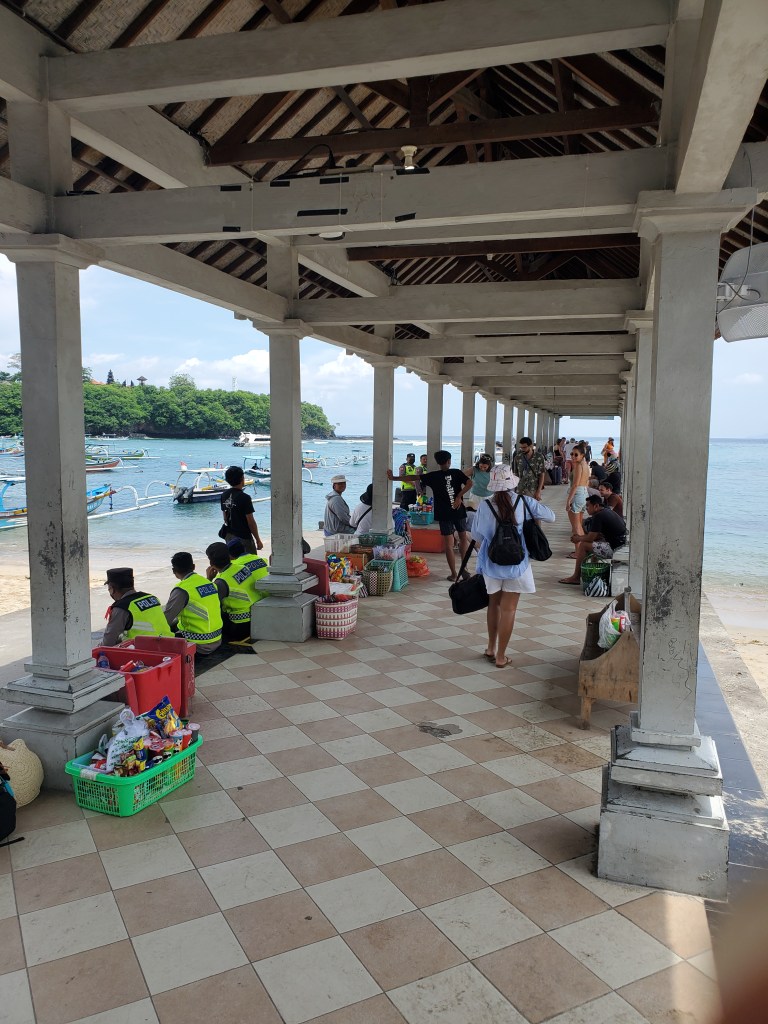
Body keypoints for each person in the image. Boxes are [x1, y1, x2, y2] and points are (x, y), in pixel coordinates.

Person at [471, 465, 555, 668]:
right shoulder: (523, 501)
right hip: (517, 564)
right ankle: (501, 657)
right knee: (509, 610)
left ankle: (490, 648)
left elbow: (476, 536)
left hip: (491, 563)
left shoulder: (485, 505)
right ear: (512, 483)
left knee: (493, 605)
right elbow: (551, 516)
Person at [388, 450, 472, 581]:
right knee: (463, 539)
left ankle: (454, 574)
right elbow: (470, 483)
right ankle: (464, 569)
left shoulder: (433, 476)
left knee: (449, 545)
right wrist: (458, 497)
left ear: (438, 462)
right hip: (458, 510)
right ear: (449, 461)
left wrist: (395, 478)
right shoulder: (456, 472)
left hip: (444, 513)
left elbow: (413, 477)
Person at [205, 542, 267, 642]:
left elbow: (206, 602)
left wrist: (209, 579)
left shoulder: (221, 581)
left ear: (211, 563)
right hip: (257, 616)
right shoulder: (243, 568)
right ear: (229, 556)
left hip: (240, 625)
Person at [559, 495, 628, 585]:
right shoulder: (606, 511)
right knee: (593, 545)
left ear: (596, 506)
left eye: (588, 506)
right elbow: (596, 536)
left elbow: (590, 538)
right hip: (621, 545)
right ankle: (593, 575)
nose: (586, 508)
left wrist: (578, 538)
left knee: (584, 545)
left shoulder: (599, 516)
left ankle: (576, 577)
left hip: (615, 549)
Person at [164, 551, 223, 654]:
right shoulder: (210, 583)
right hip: (217, 638)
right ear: (193, 566)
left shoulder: (182, 590)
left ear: (173, 571)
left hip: (198, 644)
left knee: (165, 630)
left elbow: (166, 619)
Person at [101, 567, 172, 647]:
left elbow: (107, 643)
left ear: (112, 589)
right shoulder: (152, 598)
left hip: (147, 651)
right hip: (171, 645)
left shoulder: (122, 608)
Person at [220, 466, 263, 555]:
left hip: (230, 536)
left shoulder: (224, 495)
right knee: (249, 560)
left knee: (234, 560)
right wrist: (258, 540)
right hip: (244, 537)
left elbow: (225, 517)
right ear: (242, 478)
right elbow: (251, 522)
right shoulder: (245, 498)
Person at [565, 444, 590, 554]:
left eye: (576, 455)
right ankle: (582, 550)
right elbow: (587, 481)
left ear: (582, 455)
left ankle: (578, 552)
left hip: (577, 494)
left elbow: (575, 485)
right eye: (572, 454)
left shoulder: (579, 466)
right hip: (584, 493)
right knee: (579, 525)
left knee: (576, 527)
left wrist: (568, 501)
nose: (573, 456)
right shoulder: (585, 465)